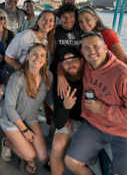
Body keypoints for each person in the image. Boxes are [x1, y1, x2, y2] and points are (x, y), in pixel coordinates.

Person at [64, 32, 127, 175]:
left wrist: (102, 109)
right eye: (86, 48)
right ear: (82, 52)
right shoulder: (86, 64)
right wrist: (62, 77)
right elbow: (64, 63)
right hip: (96, 125)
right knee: (71, 162)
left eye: (95, 46)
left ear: (106, 48)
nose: (91, 52)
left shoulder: (125, 75)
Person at [57, 5, 127, 97]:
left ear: (95, 18)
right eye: (81, 22)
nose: (84, 24)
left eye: (87, 20)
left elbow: (124, 58)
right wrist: (61, 75)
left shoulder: (107, 35)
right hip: (92, 80)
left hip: (109, 80)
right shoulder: (83, 37)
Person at [0, 43, 53, 174]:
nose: (38, 58)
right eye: (34, 54)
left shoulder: (48, 76)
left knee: (43, 156)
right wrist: (24, 131)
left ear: (45, 60)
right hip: (9, 118)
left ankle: (19, 141)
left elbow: (49, 98)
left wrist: (62, 115)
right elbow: (9, 108)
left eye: (42, 55)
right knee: (30, 156)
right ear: (28, 56)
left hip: (29, 116)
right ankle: (6, 143)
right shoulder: (17, 78)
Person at [50, 47, 84, 175]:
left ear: (81, 61)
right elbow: (58, 123)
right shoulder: (62, 85)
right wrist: (65, 108)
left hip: (91, 125)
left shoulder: (90, 76)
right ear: (61, 66)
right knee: (58, 145)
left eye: (73, 60)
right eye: (66, 62)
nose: (70, 64)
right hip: (71, 121)